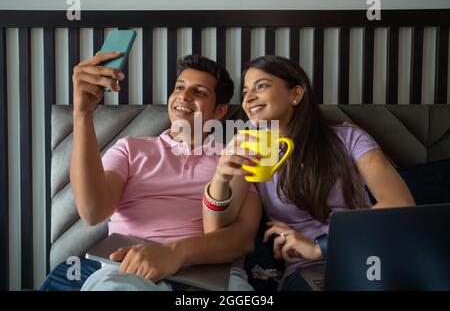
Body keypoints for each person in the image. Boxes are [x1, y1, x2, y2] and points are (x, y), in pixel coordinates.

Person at [39, 53, 261, 291]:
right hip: (129, 269)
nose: (184, 96)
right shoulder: (131, 148)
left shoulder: (235, 157)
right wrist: (82, 115)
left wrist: (173, 254)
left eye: (199, 92)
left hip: (210, 274)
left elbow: (242, 239)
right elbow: (93, 212)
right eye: (179, 87)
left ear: (219, 111)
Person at [204, 55, 415, 290]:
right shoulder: (253, 151)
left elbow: (400, 202)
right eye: (245, 92)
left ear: (295, 94)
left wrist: (319, 247)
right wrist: (221, 177)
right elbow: (216, 228)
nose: (248, 98)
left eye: (261, 86)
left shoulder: (348, 138)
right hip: (307, 273)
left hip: (368, 256)